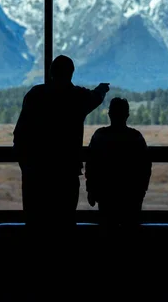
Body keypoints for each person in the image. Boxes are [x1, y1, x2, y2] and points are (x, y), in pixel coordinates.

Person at [13, 55, 110, 228]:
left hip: (36, 177)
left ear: (51, 73)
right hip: (66, 175)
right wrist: (102, 89)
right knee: (64, 225)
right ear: (71, 73)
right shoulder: (77, 97)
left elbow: (20, 135)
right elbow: (95, 97)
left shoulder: (35, 95)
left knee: (35, 225)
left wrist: (26, 166)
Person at [85, 97, 152, 228]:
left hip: (106, 195)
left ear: (109, 114)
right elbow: (145, 168)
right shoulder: (136, 137)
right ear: (127, 115)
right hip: (131, 196)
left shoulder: (100, 136)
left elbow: (91, 165)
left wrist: (91, 190)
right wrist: (141, 192)